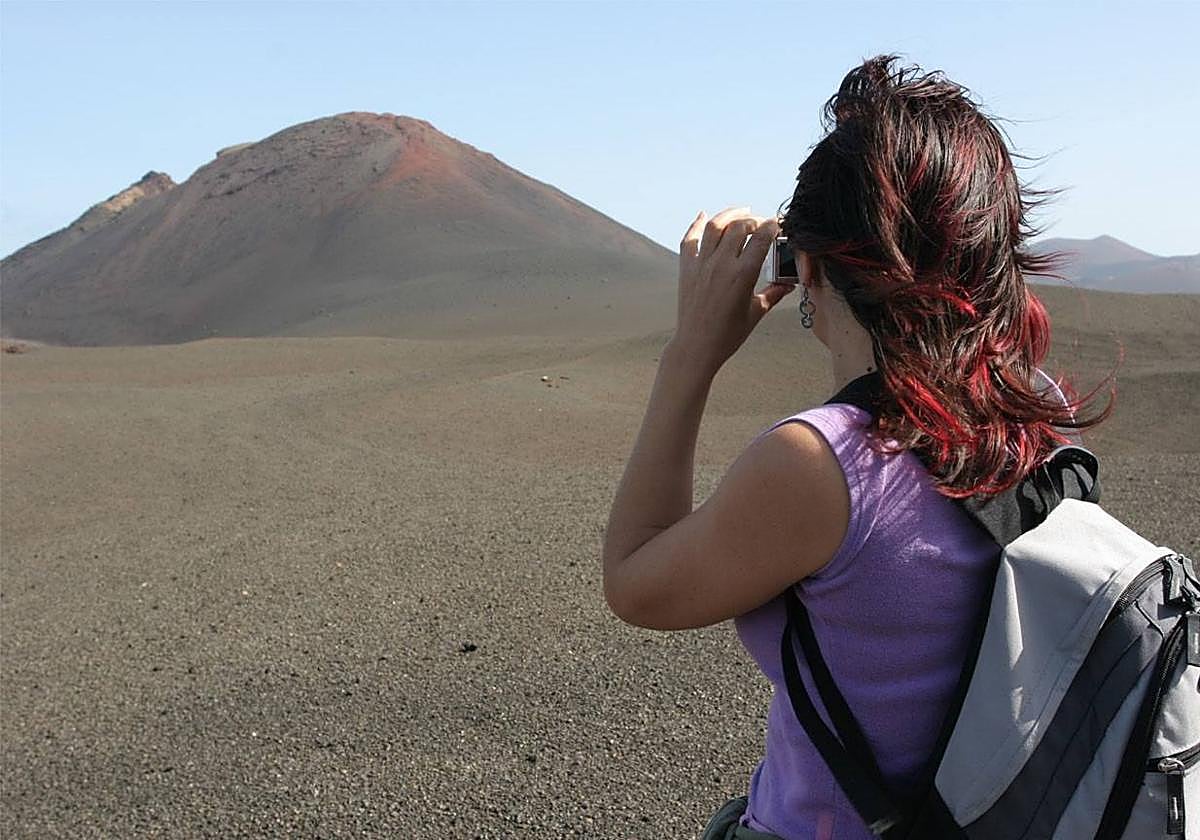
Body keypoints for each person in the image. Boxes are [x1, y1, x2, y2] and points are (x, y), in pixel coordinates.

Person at [601, 55, 1109, 840]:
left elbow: (636, 582)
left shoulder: (825, 464)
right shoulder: (1042, 412)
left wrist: (690, 355)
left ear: (807, 267)